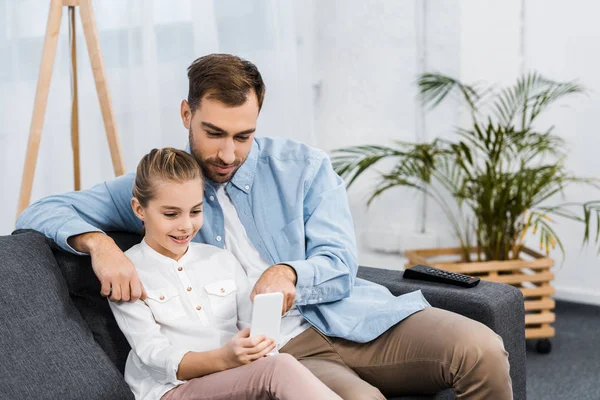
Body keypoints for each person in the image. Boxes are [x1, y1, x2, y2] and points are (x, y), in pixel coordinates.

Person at [17, 53, 513, 399]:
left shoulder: (306, 168)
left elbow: (340, 265)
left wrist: (290, 273)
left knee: (482, 349)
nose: (228, 154)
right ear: (187, 114)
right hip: (277, 351)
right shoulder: (167, 192)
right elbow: (39, 212)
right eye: (213, 133)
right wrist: (99, 243)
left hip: (353, 318)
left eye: (243, 136)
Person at [109, 147, 341, 400]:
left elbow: (253, 326)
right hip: (170, 389)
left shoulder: (220, 260)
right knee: (278, 370)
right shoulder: (125, 271)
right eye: (171, 214)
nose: (186, 225)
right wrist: (224, 358)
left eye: (195, 211)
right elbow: (154, 355)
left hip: (236, 379)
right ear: (139, 209)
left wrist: (260, 338)